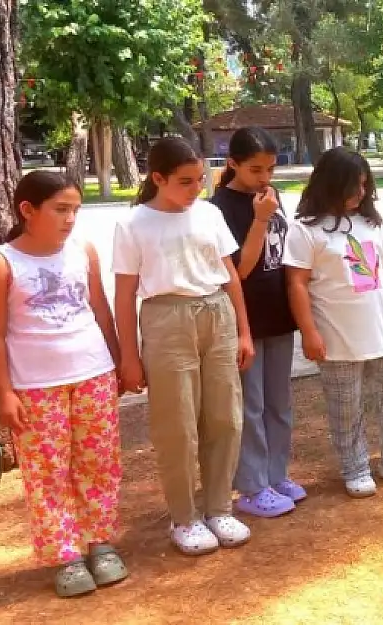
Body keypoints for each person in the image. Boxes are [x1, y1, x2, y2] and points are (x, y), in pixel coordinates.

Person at [0, 172, 127, 597]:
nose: (70, 219)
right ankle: (64, 553)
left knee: (98, 463)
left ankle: (101, 542)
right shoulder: (1, 262)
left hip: (92, 374)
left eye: (75, 210)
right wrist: (4, 393)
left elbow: (99, 307)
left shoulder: (84, 251)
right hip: (35, 387)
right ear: (28, 210)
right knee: (48, 473)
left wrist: (118, 361)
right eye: (61, 209)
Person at [113, 137, 255, 556]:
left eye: (201, 180)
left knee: (225, 416)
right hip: (165, 318)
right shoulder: (133, 224)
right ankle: (185, 517)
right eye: (186, 181)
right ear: (158, 178)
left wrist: (244, 331)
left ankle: (218, 507)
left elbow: (230, 275)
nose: (196, 189)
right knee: (177, 424)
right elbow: (124, 295)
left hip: (217, 314)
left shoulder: (209, 213)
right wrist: (129, 355)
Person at [284, 147, 383, 498]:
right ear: (330, 184)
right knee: (345, 405)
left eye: (365, 185)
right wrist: (308, 332)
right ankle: (355, 466)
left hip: (382, 328)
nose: (360, 193)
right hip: (337, 335)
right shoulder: (305, 230)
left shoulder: (370, 221)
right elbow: (296, 283)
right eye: (353, 186)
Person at [210, 126, 303, 518]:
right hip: (246, 316)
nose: (265, 178)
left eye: (270, 169)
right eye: (255, 170)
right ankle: (251, 486)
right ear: (233, 164)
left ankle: (275, 473)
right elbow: (240, 269)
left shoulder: (270, 196)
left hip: (279, 311)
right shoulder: (220, 207)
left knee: (278, 402)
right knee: (251, 404)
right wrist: (261, 220)